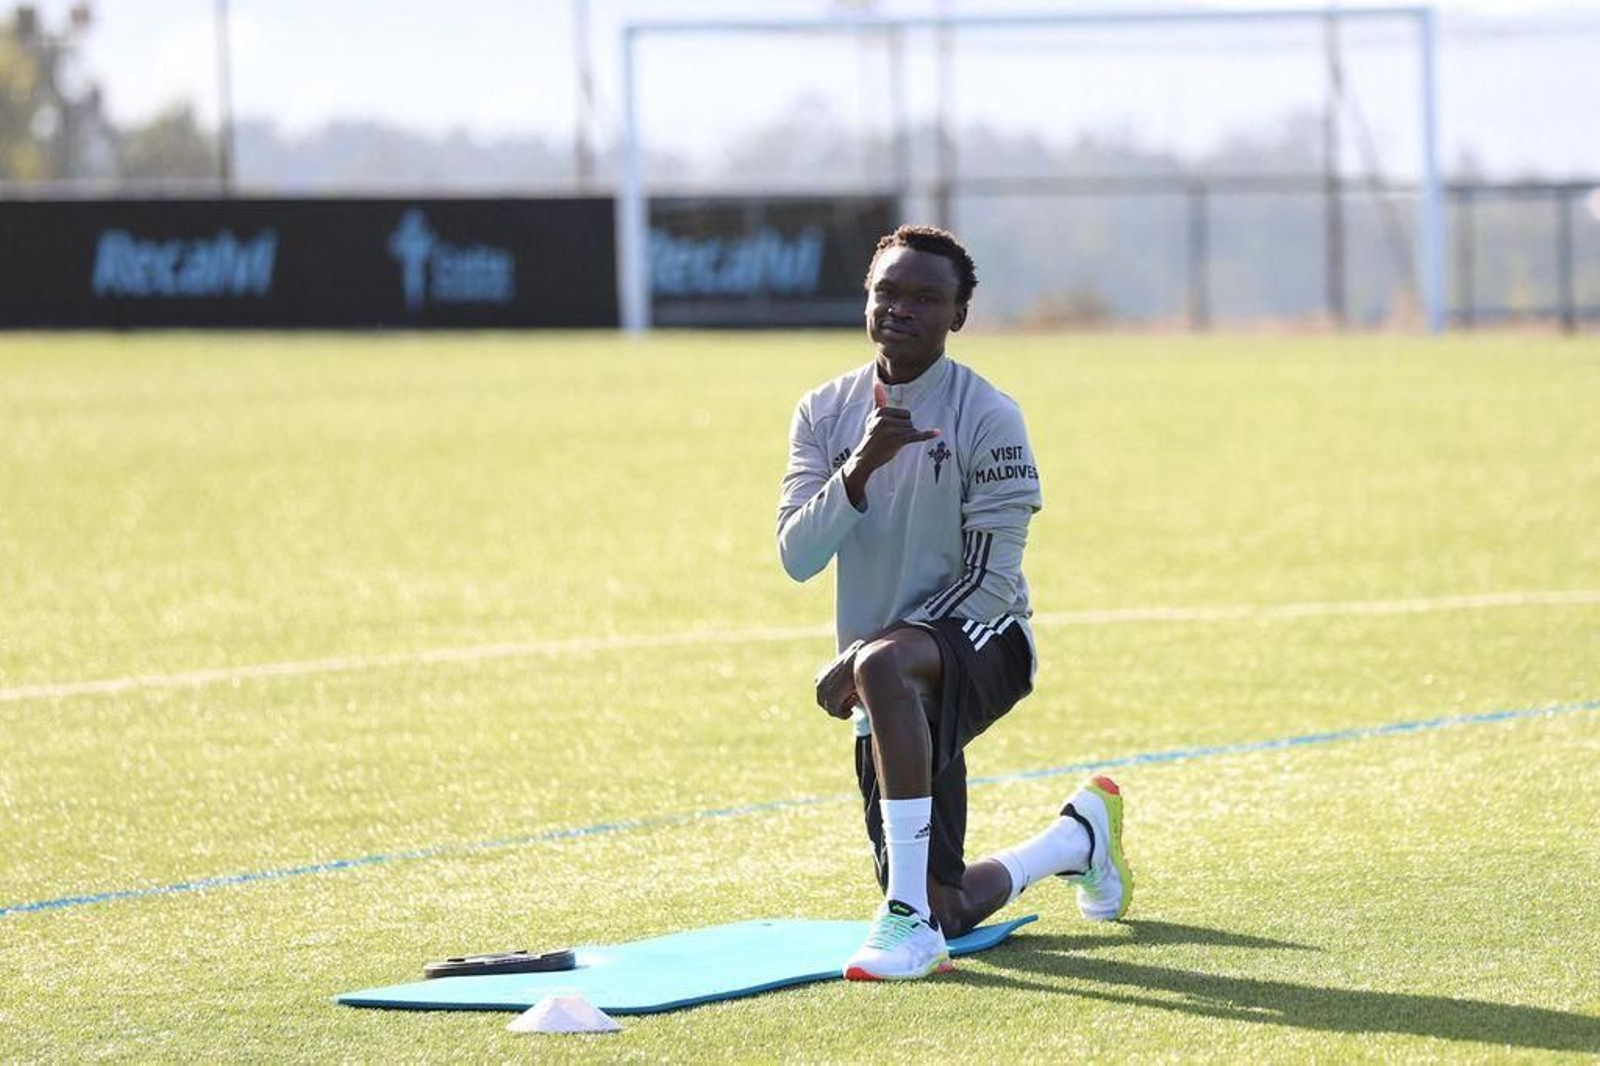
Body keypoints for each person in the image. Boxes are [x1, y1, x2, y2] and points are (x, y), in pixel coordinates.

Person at [775, 224, 1132, 981]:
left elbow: (994, 579)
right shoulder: (823, 413)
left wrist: (878, 653)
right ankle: (1075, 842)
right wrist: (861, 467)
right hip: (887, 681)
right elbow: (798, 556)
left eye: (926, 298)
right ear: (866, 301)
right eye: (888, 293)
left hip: (986, 641)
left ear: (958, 317)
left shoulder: (989, 415)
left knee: (883, 665)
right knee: (947, 903)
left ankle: (902, 923)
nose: (902, 310)